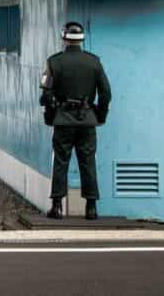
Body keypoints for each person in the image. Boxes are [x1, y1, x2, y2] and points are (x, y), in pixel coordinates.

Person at [40, 21, 112, 220]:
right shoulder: (94, 62)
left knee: (61, 161)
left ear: (64, 38)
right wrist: (100, 116)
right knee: (88, 161)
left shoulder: (54, 62)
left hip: (63, 120)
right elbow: (106, 93)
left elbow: (46, 96)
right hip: (87, 120)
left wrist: (50, 117)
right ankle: (91, 208)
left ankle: (57, 206)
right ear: (82, 39)